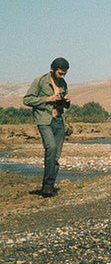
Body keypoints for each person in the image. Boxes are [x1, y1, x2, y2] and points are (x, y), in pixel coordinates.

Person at [23, 57, 71, 197]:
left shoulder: (63, 83)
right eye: (60, 73)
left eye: (64, 74)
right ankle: (47, 187)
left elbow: (64, 105)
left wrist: (67, 101)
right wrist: (47, 99)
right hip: (44, 120)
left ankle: (48, 186)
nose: (62, 76)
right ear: (53, 69)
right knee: (51, 147)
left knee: (55, 156)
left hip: (59, 121)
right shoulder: (40, 81)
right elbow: (27, 99)